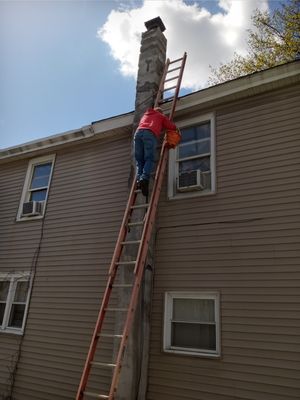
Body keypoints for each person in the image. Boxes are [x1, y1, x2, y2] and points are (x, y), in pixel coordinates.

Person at [134, 107, 177, 196]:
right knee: (149, 158)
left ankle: (139, 180)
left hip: (138, 134)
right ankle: (144, 179)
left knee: (139, 159)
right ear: (161, 112)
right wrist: (176, 129)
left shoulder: (145, 115)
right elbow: (171, 126)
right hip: (149, 134)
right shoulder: (160, 116)